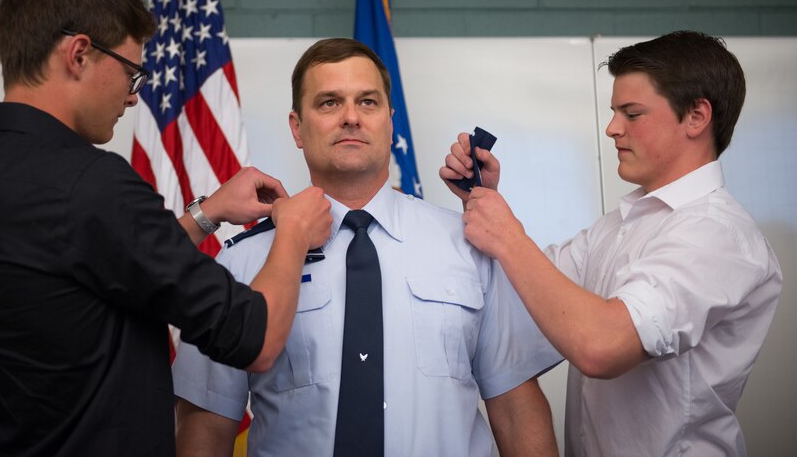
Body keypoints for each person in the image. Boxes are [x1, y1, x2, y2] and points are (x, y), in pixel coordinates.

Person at [0, 0, 332, 456]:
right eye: (131, 73)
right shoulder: (90, 183)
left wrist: (205, 215)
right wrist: (292, 231)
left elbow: (94, 272)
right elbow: (258, 337)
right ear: (78, 54)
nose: (133, 97)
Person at [172, 38, 562, 456]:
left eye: (368, 102)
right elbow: (207, 425)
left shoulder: (470, 247)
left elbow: (517, 411)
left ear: (390, 121)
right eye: (328, 103)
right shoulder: (242, 260)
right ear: (296, 127)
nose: (351, 118)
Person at [441, 30, 783, 456]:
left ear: (697, 116)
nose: (611, 128)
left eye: (632, 114)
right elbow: (522, 299)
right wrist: (483, 202)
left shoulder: (718, 237)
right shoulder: (618, 227)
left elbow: (602, 346)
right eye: (613, 112)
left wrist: (508, 237)